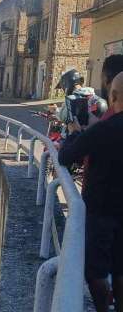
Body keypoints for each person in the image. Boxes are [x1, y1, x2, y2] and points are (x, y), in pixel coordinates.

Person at [59, 72, 123, 312]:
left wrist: (76, 132)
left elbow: (66, 157)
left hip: (100, 213)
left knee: (95, 271)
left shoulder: (102, 131)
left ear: (113, 96)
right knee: (120, 268)